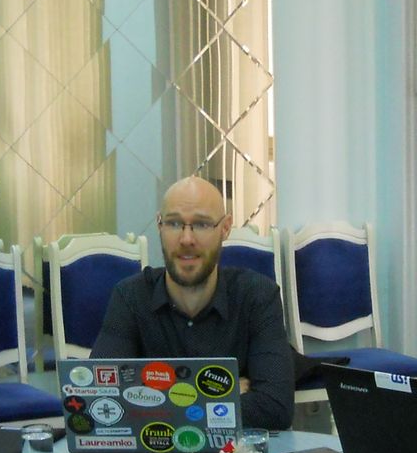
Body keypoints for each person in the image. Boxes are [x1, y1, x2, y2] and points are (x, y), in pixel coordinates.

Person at [91, 176, 295, 431]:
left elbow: (276, 408)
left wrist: (151, 398)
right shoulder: (130, 297)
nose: (186, 239)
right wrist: (222, 394)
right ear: (159, 225)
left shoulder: (257, 296)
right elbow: (102, 400)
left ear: (225, 228)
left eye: (201, 224)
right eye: (174, 223)